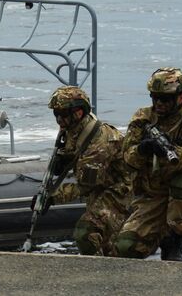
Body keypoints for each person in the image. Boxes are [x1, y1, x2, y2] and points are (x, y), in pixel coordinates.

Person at [114, 67, 182, 261]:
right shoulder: (143, 118)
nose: (159, 103)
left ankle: (175, 240)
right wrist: (143, 150)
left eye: (165, 99)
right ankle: (156, 237)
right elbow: (127, 159)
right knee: (126, 247)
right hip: (151, 194)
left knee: (181, 181)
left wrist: (168, 150)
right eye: (155, 98)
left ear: (181, 97)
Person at [32, 86, 132, 256]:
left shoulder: (99, 143)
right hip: (99, 189)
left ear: (78, 112)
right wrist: (63, 159)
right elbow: (73, 150)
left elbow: (85, 186)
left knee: (85, 232)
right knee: (105, 243)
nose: (59, 119)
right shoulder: (72, 128)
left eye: (63, 114)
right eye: (56, 114)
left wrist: (52, 197)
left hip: (117, 192)